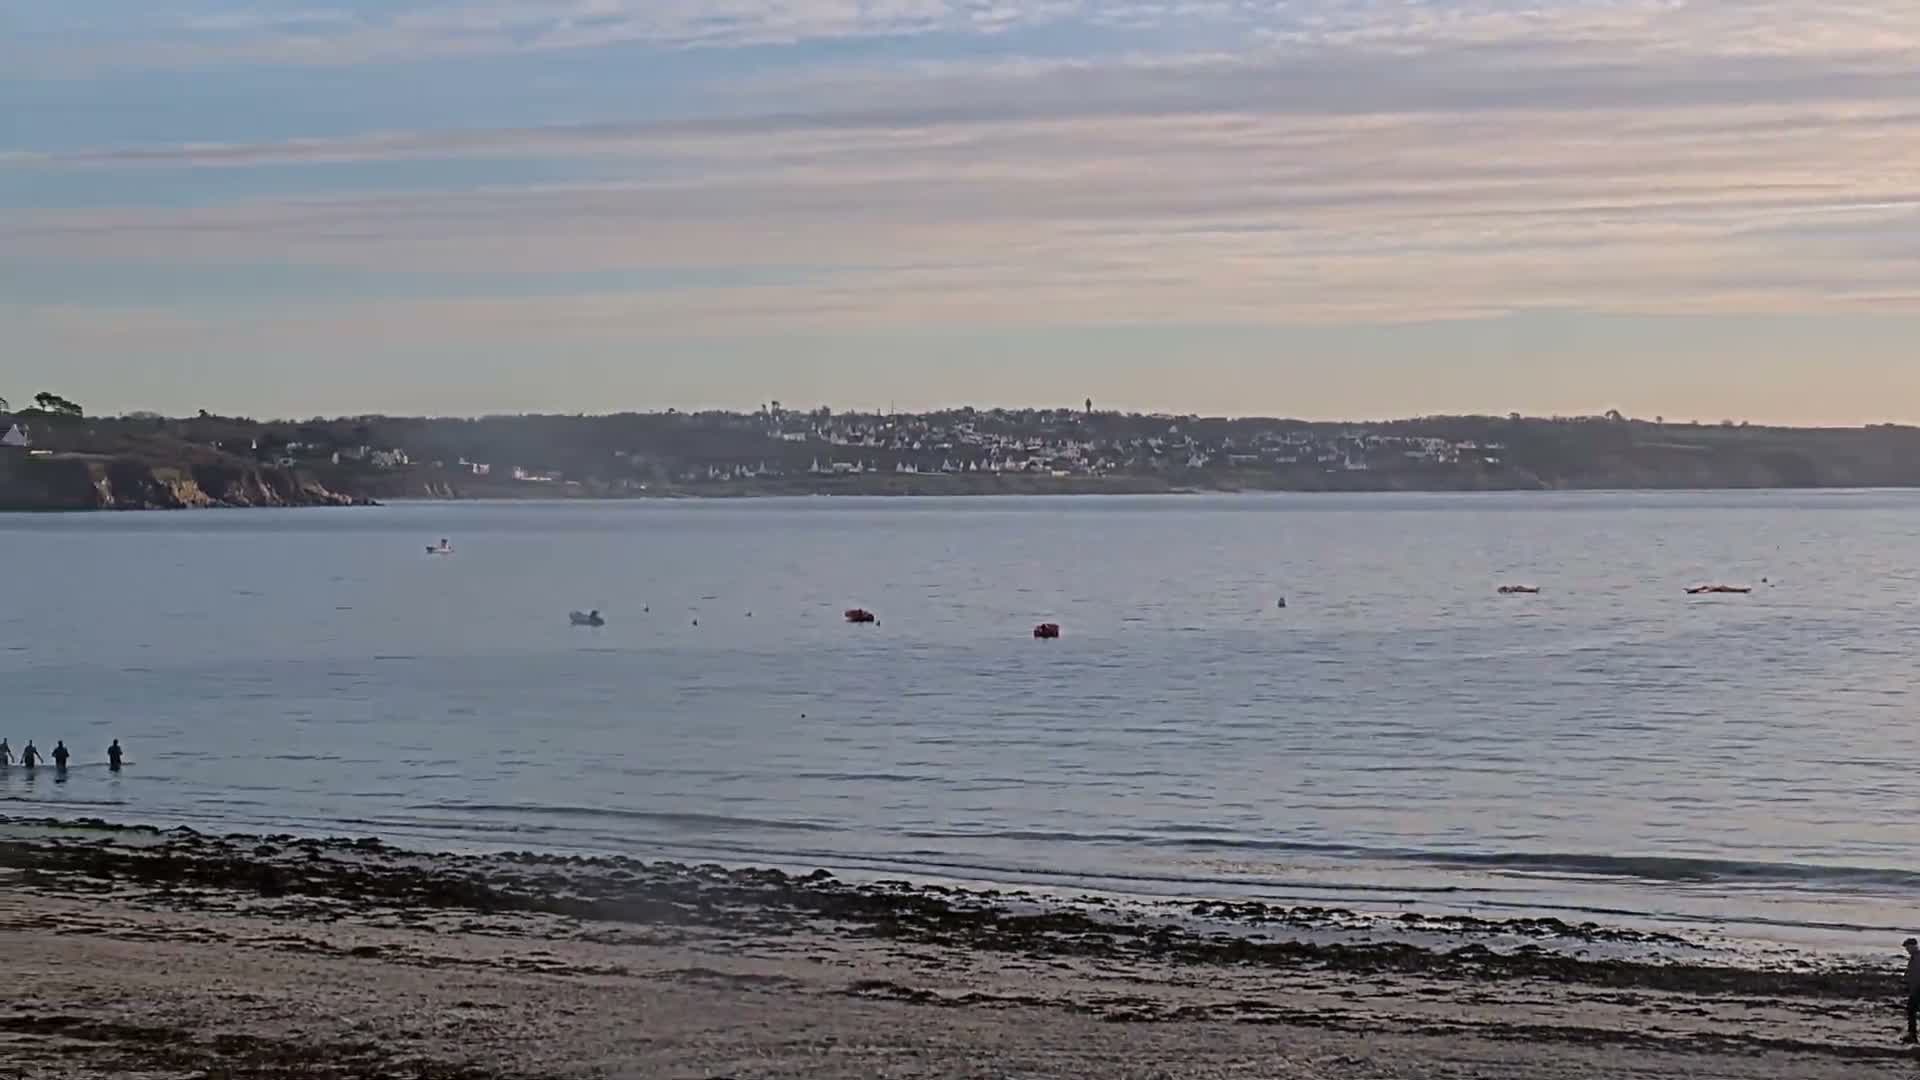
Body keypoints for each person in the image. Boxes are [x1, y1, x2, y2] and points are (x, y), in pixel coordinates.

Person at [1903, 938, 1920, 1043]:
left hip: (1918, 989)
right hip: (1915, 988)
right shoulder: (1914, 957)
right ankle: (1912, 1034)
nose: (1907, 950)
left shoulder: (1917, 957)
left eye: (1908, 947)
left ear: (1913, 946)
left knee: (1911, 1010)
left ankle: (1912, 1035)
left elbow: (1916, 975)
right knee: (1911, 1010)